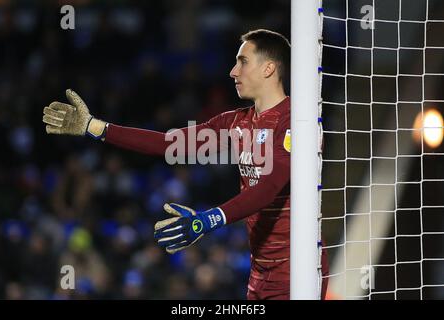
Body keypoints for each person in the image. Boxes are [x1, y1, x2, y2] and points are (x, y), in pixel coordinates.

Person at [42, 29, 329, 300]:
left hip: (297, 268)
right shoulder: (236, 122)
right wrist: (96, 127)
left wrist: (209, 219)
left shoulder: (296, 119)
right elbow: (169, 143)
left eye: (243, 62)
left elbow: (270, 186)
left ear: (269, 68)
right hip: (260, 270)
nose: (233, 71)